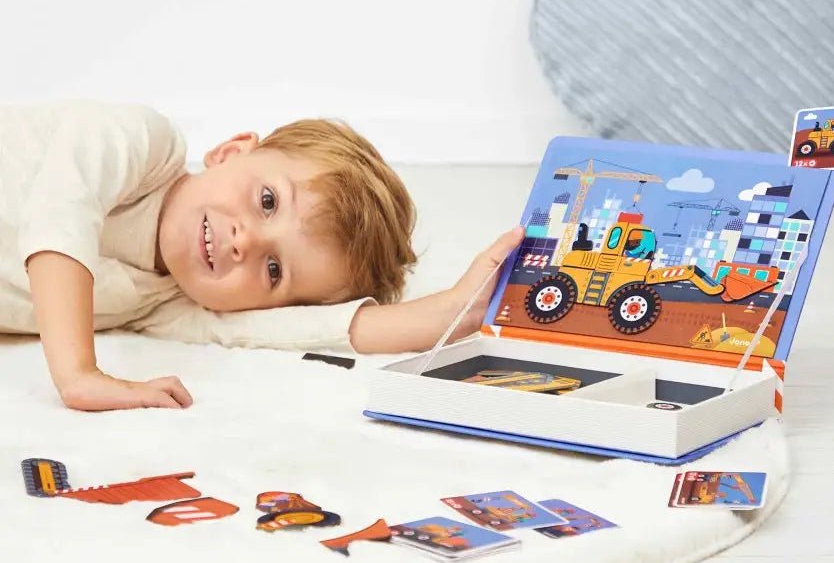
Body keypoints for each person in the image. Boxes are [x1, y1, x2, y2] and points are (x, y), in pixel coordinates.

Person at [0, 102, 522, 412]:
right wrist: (78, 373)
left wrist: (455, 309)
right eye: (267, 201)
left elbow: (301, 331)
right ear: (231, 151)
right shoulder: (144, 144)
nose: (244, 242)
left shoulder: (164, 303)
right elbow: (60, 213)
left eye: (274, 271)